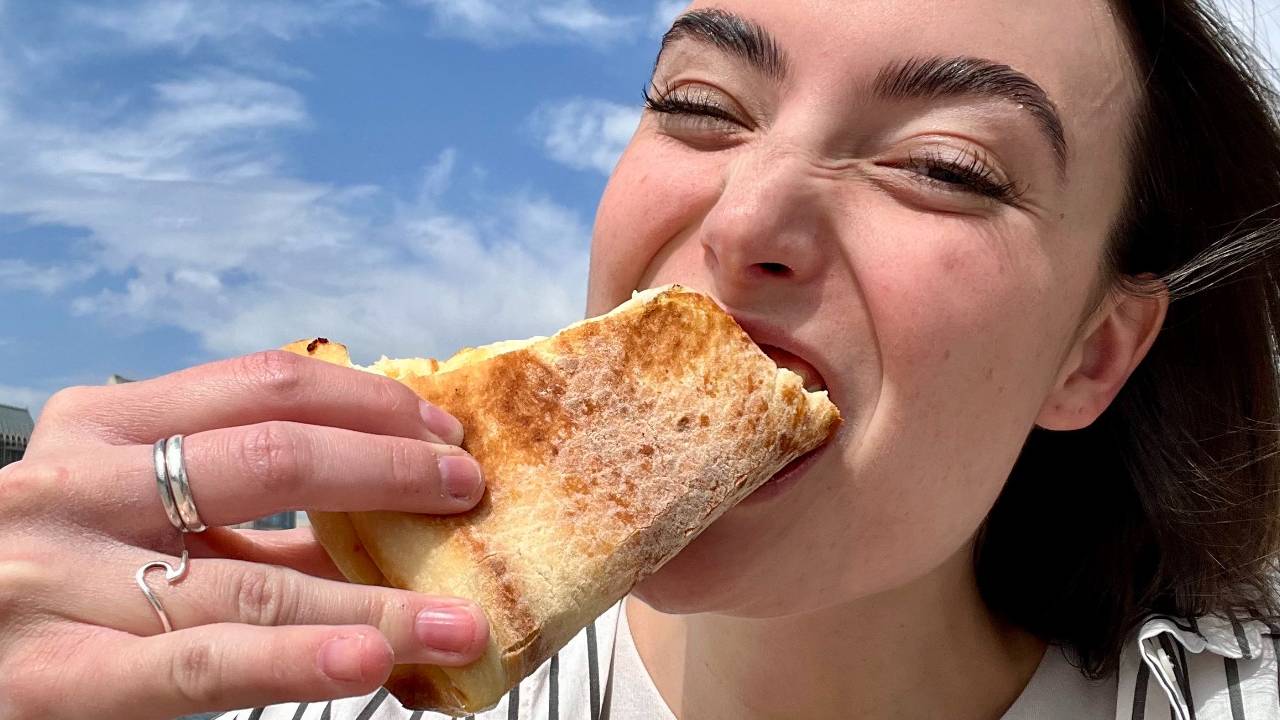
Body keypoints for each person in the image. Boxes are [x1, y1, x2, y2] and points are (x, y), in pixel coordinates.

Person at [5, 0, 1280, 718]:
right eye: (698, 106)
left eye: (945, 167)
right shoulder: (303, 680)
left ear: (1091, 355)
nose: (744, 219)